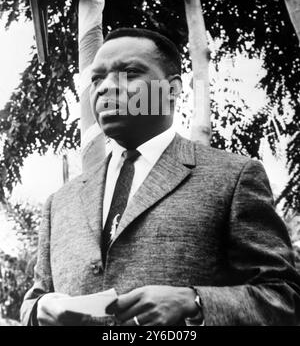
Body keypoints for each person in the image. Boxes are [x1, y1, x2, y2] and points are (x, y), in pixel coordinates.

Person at [21, 27, 300, 326]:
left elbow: (285, 299)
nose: (104, 87)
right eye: (97, 78)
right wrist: (41, 310)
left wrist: (195, 303)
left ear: (173, 89)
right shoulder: (61, 202)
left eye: (129, 72)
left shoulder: (233, 177)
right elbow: (34, 300)